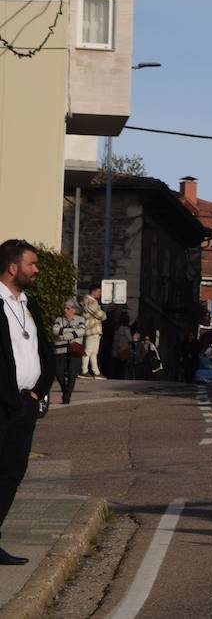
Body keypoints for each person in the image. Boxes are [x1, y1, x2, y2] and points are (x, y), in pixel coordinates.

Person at [0, 240, 55, 565]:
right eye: (32, 264)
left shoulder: (28, 304)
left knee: (11, 473)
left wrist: (39, 390)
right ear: (12, 267)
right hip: (0, 402)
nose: (36, 270)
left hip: (25, 404)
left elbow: (43, 350)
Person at [52, 300, 86, 405]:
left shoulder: (80, 319)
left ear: (74, 310)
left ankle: (67, 395)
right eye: (65, 308)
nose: (65, 310)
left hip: (74, 349)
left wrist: (65, 335)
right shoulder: (59, 319)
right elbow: (55, 330)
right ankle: (65, 389)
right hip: (60, 349)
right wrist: (73, 331)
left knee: (72, 373)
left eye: (68, 308)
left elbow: (82, 331)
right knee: (58, 372)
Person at [78, 284, 105, 379]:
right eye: (99, 291)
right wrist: (102, 314)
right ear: (93, 291)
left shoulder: (90, 301)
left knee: (94, 352)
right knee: (88, 351)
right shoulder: (90, 301)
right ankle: (84, 371)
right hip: (92, 329)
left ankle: (96, 372)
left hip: (94, 330)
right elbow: (101, 315)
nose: (100, 294)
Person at [109, 312, 132, 381]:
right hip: (123, 350)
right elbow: (130, 339)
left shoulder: (117, 327)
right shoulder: (126, 329)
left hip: (115, 349)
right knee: (122, 366)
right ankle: (121, 378)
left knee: (116, 365)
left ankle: (114, 377)